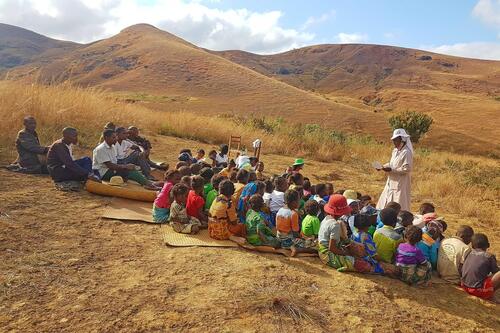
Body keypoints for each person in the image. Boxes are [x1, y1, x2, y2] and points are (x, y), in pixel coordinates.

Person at [317, 194, 371, 273]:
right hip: (328, 256)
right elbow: (332, 248)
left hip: (321, 251)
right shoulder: (335, 225)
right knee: (365, 266)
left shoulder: (326, 219)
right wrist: (346, 253)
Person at [376, 128, 414, 211]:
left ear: (402, 140)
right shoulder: (395, 151)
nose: (394, 142)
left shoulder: (406, 152)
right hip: (391, 181)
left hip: (400, 182)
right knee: (386, 201)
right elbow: (392, 164)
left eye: (396, 140)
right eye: (393, 140)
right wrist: (382, 167)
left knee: (399, 203)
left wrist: (392, 170)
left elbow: (407, 169)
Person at [460, 233, 500, 301]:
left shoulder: (469, 253)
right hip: (477, 291)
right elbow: (495, 272)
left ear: (472, 245)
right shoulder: (489, 256)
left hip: (464, 286)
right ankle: (490, 295)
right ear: (488, 245)